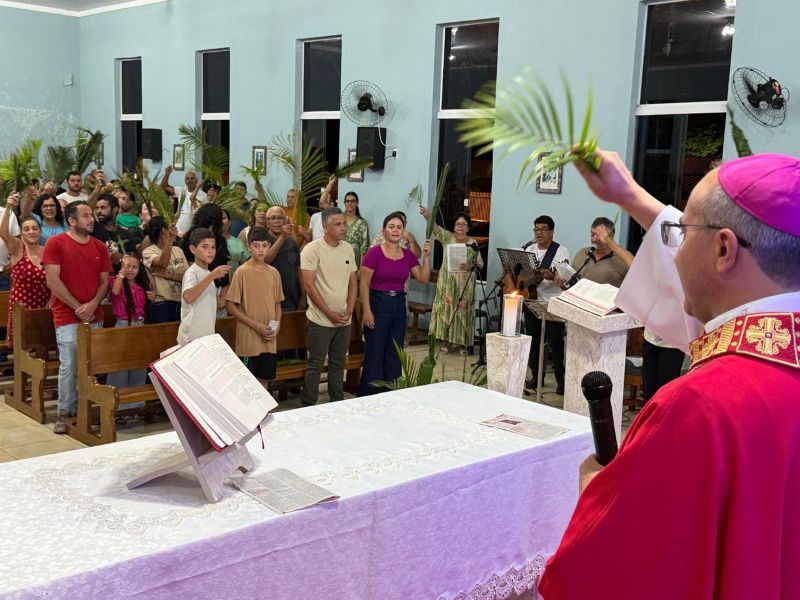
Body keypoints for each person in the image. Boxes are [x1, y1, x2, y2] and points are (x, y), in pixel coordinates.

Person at [538, 151, 800, 599]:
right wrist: (628, 196)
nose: (673, 256)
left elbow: (621, 570)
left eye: (682, 233)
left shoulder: (699, 406)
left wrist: (596, 493)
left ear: (723, 250)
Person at [42, 201, 112, 434]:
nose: (91, 219)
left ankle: (86, 409)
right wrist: (78, 307)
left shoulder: (99, 246)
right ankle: (65, 412)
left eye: (91, 215)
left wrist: (92, 305)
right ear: (71, 220)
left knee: (91, 366)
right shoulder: (56, 243)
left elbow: (104, 282)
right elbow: (53, 281)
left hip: (94, 314)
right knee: (70, 365)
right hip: (67, 316)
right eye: (85, 215)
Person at [357, 211, 431, 396]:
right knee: (375, 352)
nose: (395, 230)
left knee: (394, 352)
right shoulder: (374, 253)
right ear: (384, 230)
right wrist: (367, 310)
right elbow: (364, 283)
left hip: (398, 304)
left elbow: (423, 278)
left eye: (399, 227)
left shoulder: (408, 255)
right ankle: (369, 396)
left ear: (403, 231)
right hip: (378, 303)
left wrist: (426, 257)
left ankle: (390, 395)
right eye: (391, 227)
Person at [300, 207, 358, 406]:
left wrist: (350, 309)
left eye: (343, 223)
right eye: (337, 224)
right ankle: (308, 405)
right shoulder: (312, 250)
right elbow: (309, 286)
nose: (343, 228)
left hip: (344, 319)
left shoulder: (348, 248)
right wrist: (330, 314)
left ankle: (337, 403)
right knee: (315, 365)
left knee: (338, 363)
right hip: (320, 319)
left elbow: (353, 281)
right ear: (325, 227)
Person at [512, 215, 571, 395]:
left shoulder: (561, 252)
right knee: (534, 340)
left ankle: (561, 380)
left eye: (543, 229)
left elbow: (564, 276)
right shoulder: (528, 249)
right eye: (536, 229)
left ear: (551, 232)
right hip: (532, 301)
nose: (539, 233)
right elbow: (517, 271)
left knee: (555, 343)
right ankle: (537, 376)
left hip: (552, 303)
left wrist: (553, 276)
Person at [225, 226, 283, 387]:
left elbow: (277, 303)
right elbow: (231, 306)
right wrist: (256, 326)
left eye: (264, 246)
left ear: (269, 246)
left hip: (269, 339)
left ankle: (264, 406)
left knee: (265, 379)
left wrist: (276, 327)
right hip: (248, 339)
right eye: (256, 246)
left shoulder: (274, 273)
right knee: (247, 382)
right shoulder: (242, 272)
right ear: (248, 247)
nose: (261, 250)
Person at [419, 207, 484, 351]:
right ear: (454, 227)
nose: (460, 227)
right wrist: (427, 216)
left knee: (462, 313)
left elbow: (480, 264)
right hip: (447, 283)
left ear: (468, 228)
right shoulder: (448, 238)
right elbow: (435, 228)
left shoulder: (473, 243)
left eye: (463, 224)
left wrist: (470, 265)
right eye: (457, 224)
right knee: (446, 310)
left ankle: (461, 343)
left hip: (464, 285)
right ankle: (446, 341)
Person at [1, 192, 49, 350]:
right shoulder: (18, 248)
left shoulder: (47, 251)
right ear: (21, 234)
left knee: (42, 344)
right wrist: (9, 207)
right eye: (26, 229)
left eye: (35, 228)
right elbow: (4, 233)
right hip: (21, 306)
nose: (31, 232)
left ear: (40, 232)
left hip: (44, 305)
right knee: (21, 347)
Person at [106, 253, 152, 403]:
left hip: (139, 326)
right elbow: (115, 291)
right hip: (122, 326)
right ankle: (118, 403)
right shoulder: (116, 281)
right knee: (120, 365)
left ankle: (136, 402)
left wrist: (151, 296)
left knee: (138, 364)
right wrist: (121, 273)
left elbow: (143, 307)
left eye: (134, 267)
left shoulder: (140, 286)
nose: (130, 270)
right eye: (126, 266)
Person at [177, 228, 229, 345]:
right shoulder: (192, 272)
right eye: (205, 247)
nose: (210, 251)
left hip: (206, 334)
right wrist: (211, 277)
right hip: (192, 336)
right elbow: (188, 297)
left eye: (213, 247)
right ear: (192, 249)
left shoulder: (208, 273)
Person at [181, 203, 230, 315]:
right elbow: (192, 270)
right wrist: (215, 298)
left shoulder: (221, 240)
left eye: (213, 247)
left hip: (220, 289)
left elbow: (225, 269)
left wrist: (223, 296)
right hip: (200, 288)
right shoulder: (191, 240)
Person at [559, 217, 631, 288]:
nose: (593, 239)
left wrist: (609, 242)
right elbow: (569, 284)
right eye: (592, 234)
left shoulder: (622, 261)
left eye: (599, 235)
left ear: (611, 237)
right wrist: (562, 283)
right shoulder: (581, 253)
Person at [142, 216, 188, 323]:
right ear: (163, 231)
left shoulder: (178, 250)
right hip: (162, 303)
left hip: (182, 302)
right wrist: (170, 239)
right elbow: (163, 263)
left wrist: (171, 276)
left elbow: (188, 277)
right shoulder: (148, 251)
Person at [263, 205, 305, 311]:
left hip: (291, 298)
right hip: (269, 300)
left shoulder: (292, 243)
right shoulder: (262, 241)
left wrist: (303, 297)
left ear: (285, 221)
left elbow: (299, 272)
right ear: (267, 223)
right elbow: (265, 261)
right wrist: (282, 237)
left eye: (280, 218)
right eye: (273, 218)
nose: (277, 221)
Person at [92, 193, 146, 264]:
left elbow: (134, 258)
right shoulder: (93, 230)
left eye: (103, 208)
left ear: (115, 209)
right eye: (97, 208)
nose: (98, 211)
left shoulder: (126, 234)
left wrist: (123, 257)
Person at [160, 166, 207, 236]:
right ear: (185, 181)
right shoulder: (181, 191)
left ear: (197, 180)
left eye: (192, 178)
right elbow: (165, 187)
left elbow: (206, 213)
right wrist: (167, 173)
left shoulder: (203, 195)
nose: (190, 180)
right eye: (187, 178)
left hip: (194, 231)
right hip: (178, 230)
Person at [342, 191, 369, 267]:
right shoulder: (339, 219)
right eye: (347, 201)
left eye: (352, 201)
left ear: (357, 203)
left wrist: (361, 267)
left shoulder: (362, 223)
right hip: (339, 255)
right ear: (344, 203)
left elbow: (364, 247)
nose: (349, 203)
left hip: (355, 258)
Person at [222, 208, 249, 276]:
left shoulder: (238, 242)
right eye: (217, 219)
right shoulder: (210, 243)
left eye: (223, 218)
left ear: (229, 222)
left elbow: (245, 267)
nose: (220, 221)